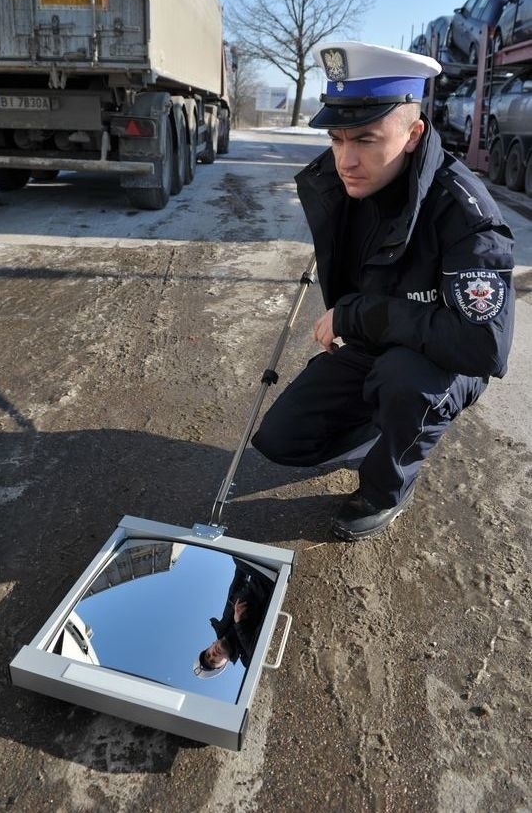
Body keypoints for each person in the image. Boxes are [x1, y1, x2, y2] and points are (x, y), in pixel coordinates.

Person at [251, 40, 515, 542]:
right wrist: (361, 320)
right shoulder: (346, 185)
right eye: (336, 139)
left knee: (404, 381)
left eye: (366, 140)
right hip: (376, 345)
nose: (346, 159)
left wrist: (357, 316)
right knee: (282, 439)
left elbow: (485, 347)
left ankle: (387, 485)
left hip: (440, 361)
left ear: (413, 134)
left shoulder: (464, 215)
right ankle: (387, 420)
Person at [194, 561, 273, 678]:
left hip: (259, 573)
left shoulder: (224, 622)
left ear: (211, 645)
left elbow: (236, 584)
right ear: (224, 664)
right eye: (213, 661)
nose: (212, 655)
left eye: (208, 654)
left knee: (237, 558)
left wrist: (240, 558)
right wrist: (240, 624)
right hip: (274, 585)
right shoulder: (247, 658)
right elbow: (258, 654)